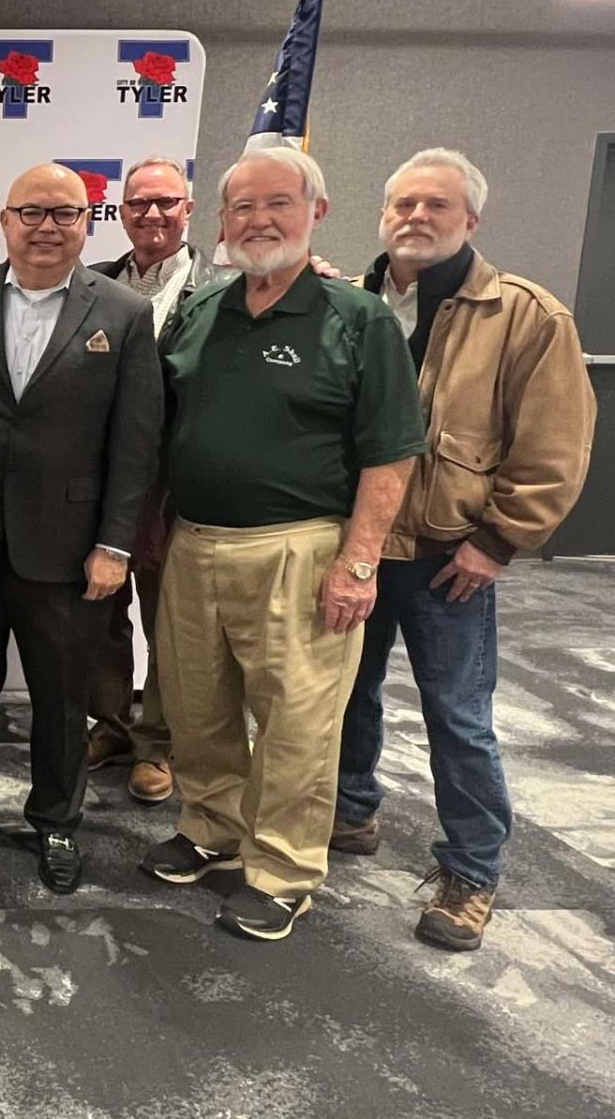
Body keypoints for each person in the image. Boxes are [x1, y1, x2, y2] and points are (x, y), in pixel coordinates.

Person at [142, 146, 426, 942]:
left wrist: (359, 562)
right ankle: (212, 828)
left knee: (297, 721)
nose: (259, 221)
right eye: (243, 207)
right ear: (222, 220)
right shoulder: (203, 309)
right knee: (197, 708)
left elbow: (392, 452)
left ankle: (283, 869)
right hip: (196, 542)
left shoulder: (358, 319)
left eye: (278, 204)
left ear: (316, 213)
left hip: (301, 550)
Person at [332, 148, 594, 951]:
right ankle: (349, 809)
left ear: (471, 219)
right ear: (383, 214)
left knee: (456, 712)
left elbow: (555, 445)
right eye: (404, 204)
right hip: (357, 542)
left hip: (450, 554)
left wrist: (498, 541)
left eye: (437, 205)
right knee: (346, 691)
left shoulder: (525, 316)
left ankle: (471, 869)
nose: (417, 217)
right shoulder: (348, 302)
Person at [0, 165, 162, 892]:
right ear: (3, 221)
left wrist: (115, 545)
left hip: (70, 548)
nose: (46, 227)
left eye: (64, 213)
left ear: (87, 223)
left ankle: (56, 820)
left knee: (62, 698)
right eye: (31, 212)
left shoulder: (124, 313)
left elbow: (136, 442)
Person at [86, 155, 216, 804]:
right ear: (122, 211)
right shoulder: (94, 283)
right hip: (100, 482)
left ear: (188, 209)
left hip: (177, 487)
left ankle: (157, 743)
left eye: (166, 202)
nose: (153, 214)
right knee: (102, 615)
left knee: (169, 622)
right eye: (139, 203)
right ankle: (111, 726)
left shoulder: (220, 291)